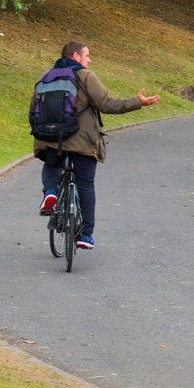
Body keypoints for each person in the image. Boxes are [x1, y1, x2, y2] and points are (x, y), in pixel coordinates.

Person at [36, 41, 160, 249]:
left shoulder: (46, 77)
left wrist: (43, 135)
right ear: (76, 57)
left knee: (52, 165)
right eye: (87, 56)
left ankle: (50, 193)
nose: (89, 60)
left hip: (50, 139)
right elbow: (106, 104)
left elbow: (34, 110)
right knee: (85, 184)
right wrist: (139, 102)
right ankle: (85, 235)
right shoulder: (85, 76)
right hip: (82, 140)